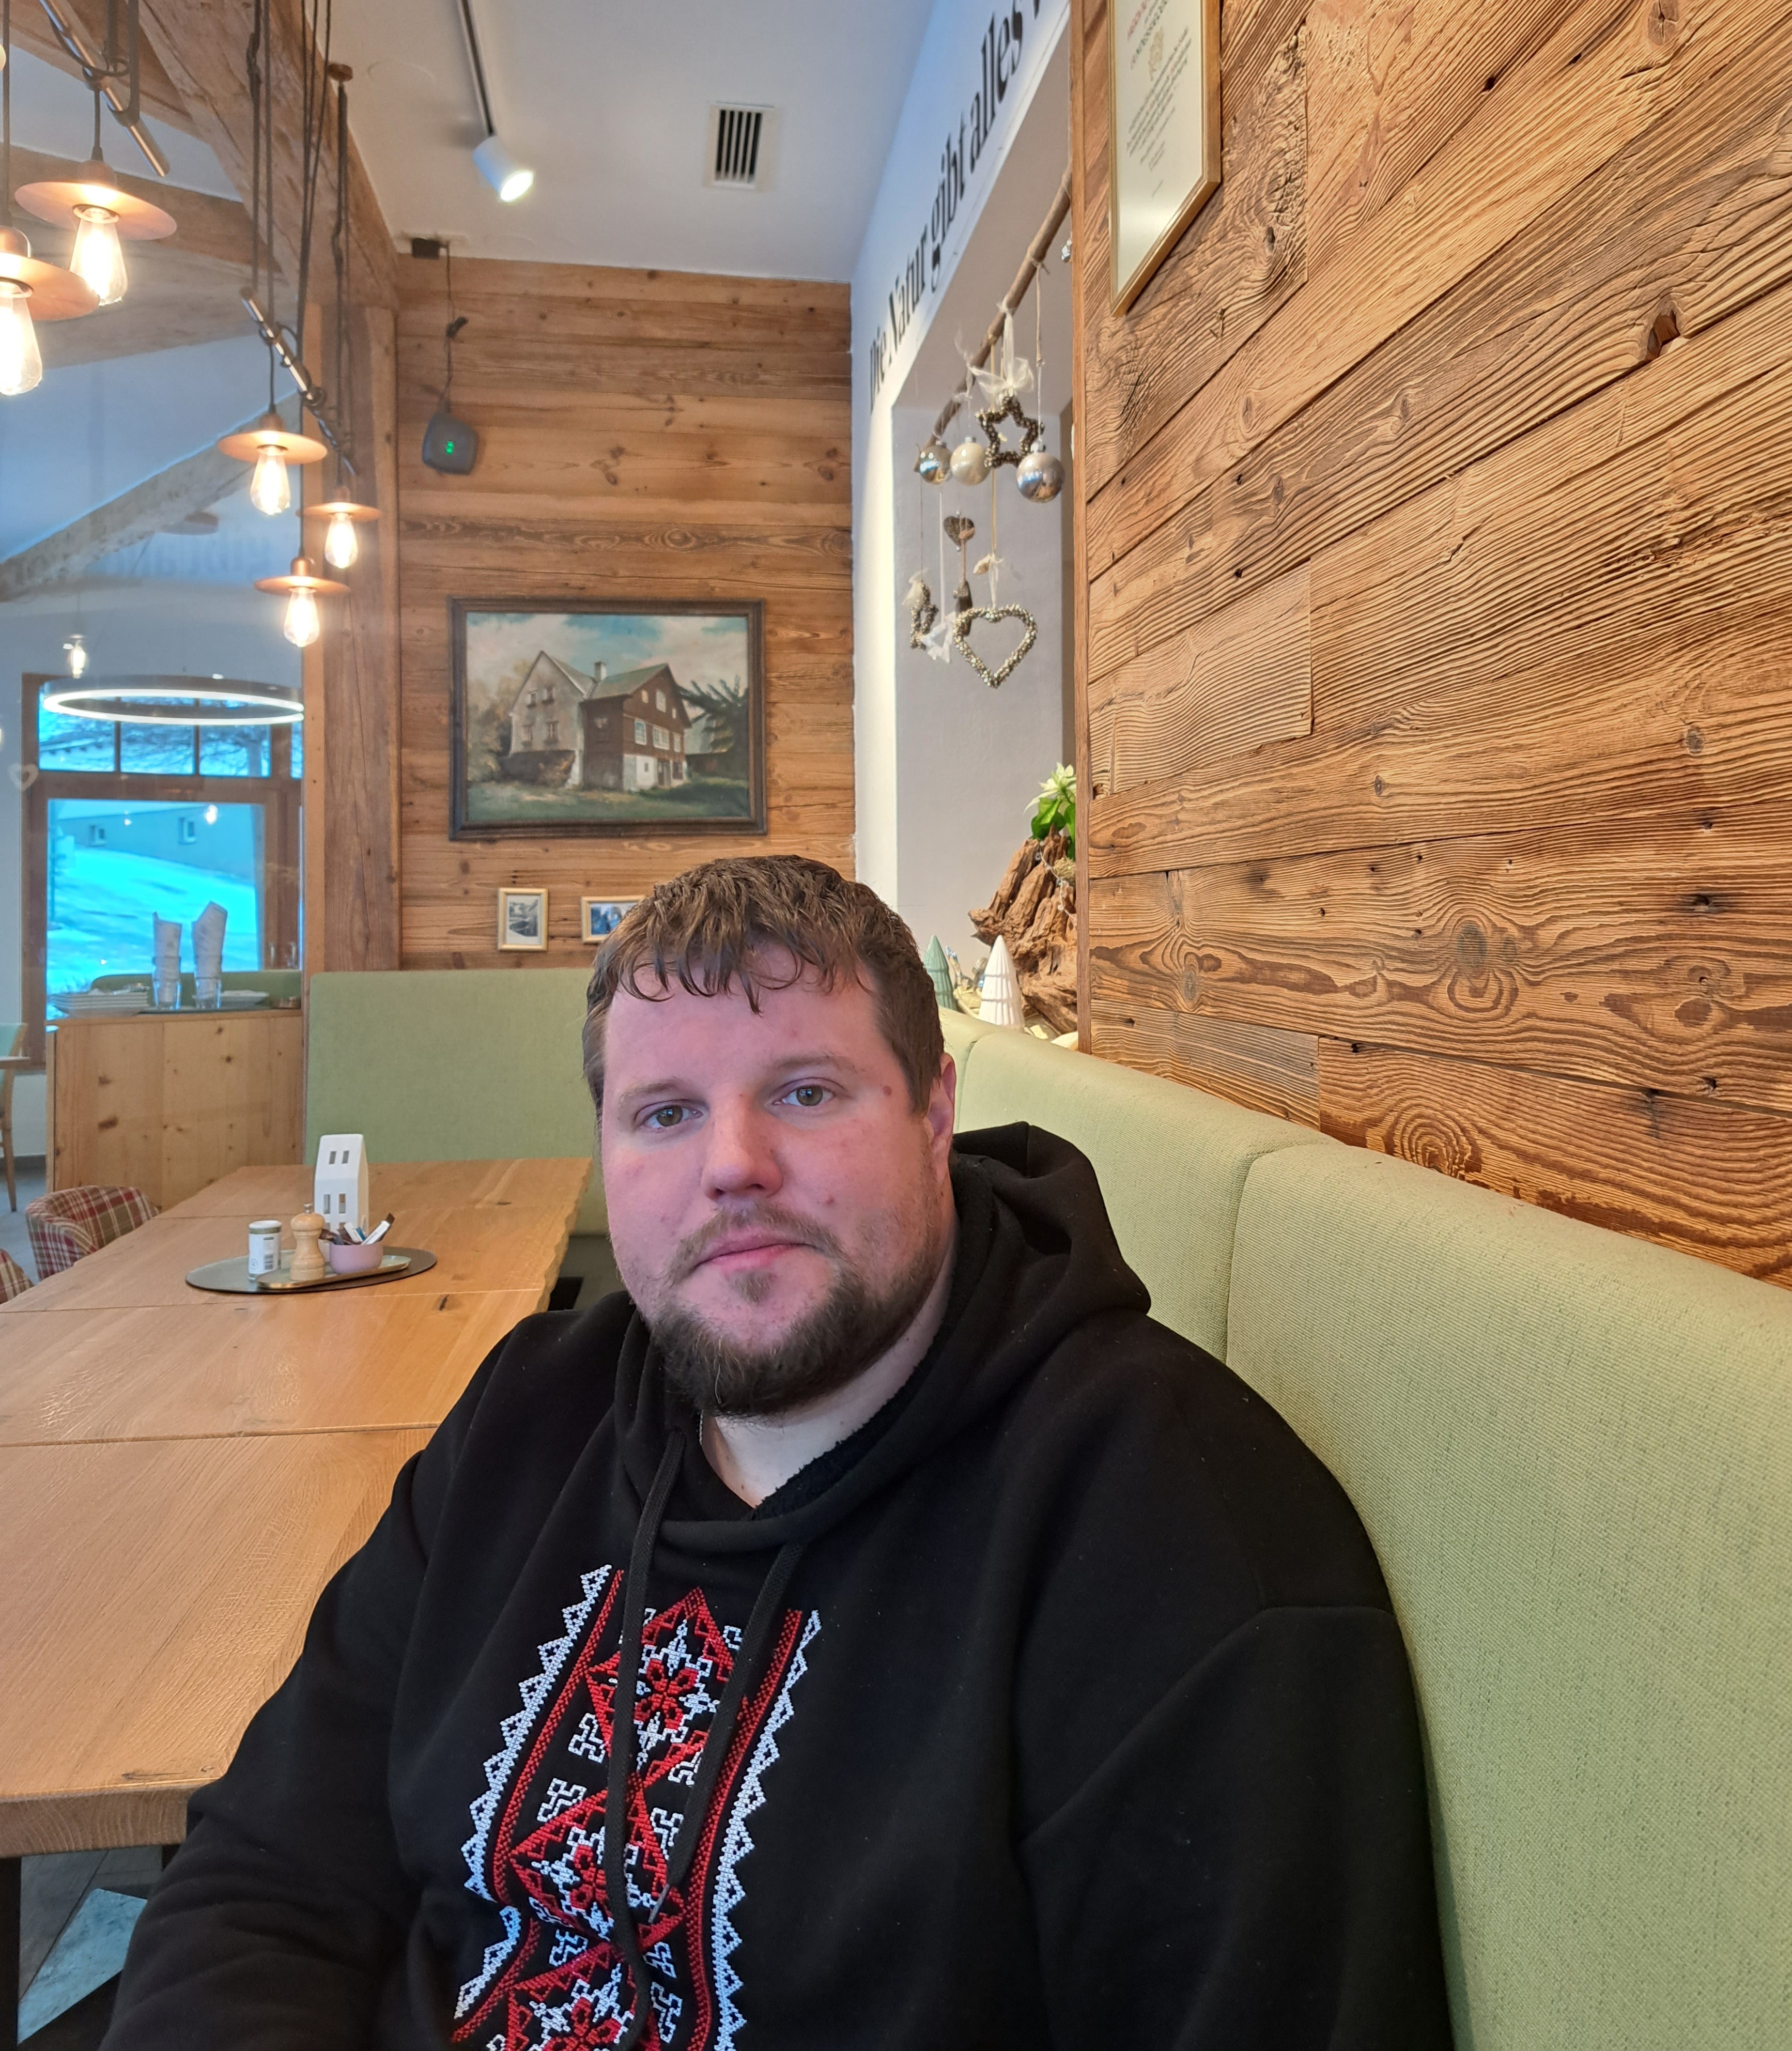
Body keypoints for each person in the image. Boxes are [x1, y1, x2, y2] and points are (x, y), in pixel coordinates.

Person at [107, 855, 1451, 2049]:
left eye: (805, 1093)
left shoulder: (1180, 1541)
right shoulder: (532, 1412)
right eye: (664, 1113)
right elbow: (269, 1872)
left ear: (934, 1112)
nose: (732, 1164)